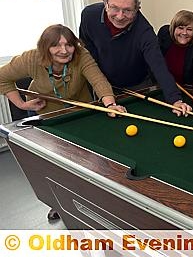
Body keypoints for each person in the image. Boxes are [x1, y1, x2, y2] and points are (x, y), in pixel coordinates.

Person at [0, 24, 126, 222]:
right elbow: (2, 78)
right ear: (45, 47)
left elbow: (98, 80)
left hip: (80, 115)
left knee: (86, 162)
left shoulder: (81, 56)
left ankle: (93, 201)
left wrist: (110, 104)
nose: (64, 50)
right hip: (46, 118)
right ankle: (58, 203)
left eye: (69, 44)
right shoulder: (32, 58)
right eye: (56, 46)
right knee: (53, 164)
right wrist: (22, 104)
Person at [79, 0, 191, 116]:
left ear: (137, 9)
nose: (120, 16)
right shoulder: (89, 16)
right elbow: (87, 50)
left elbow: (158, 66)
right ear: (105, 3)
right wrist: (102, 87)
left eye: (127, 10)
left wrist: (175, 100)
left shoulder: (144, 31)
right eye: (114, 8)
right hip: (104, 84)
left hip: (137, 86)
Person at [158, 10, 193, 112]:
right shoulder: (164, 34)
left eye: (189, 29)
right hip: (161, 88)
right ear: (173, 28)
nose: (184, 33)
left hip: (186, 92)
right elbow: (155, 62)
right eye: (180, 28)